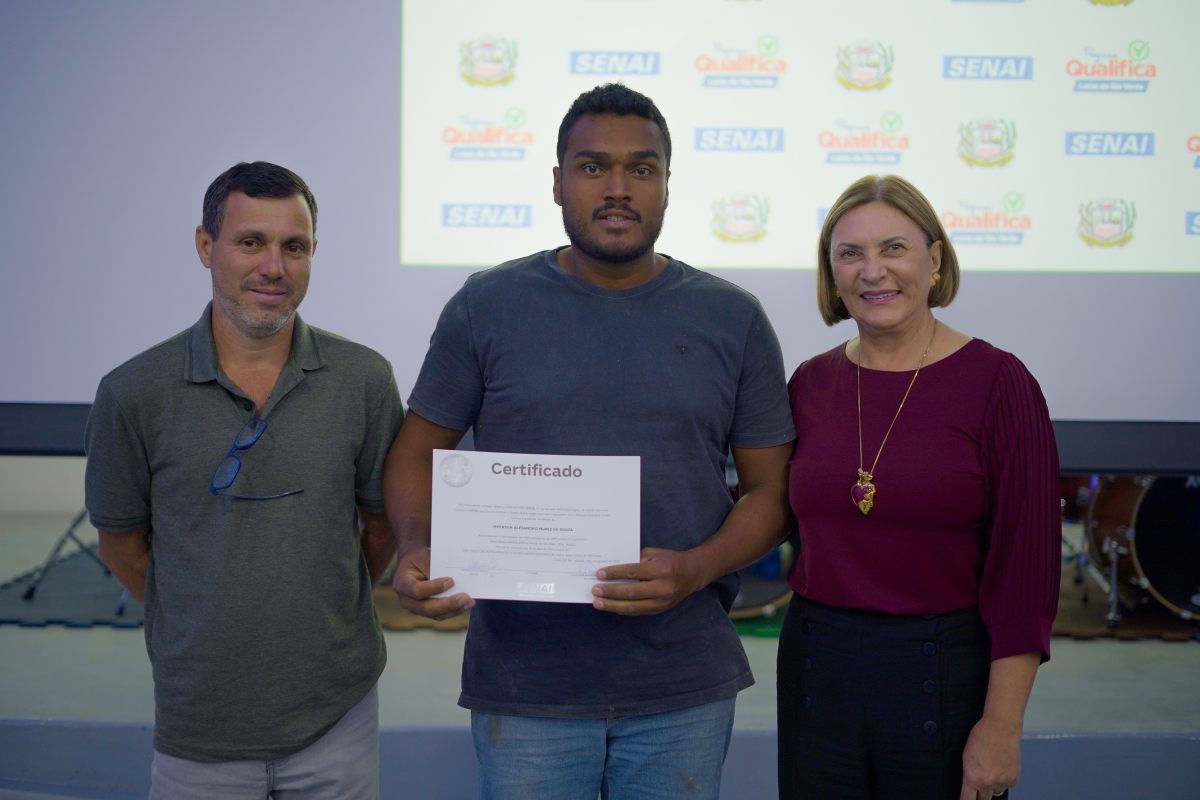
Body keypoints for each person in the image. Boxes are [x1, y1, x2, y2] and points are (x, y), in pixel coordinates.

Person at [384, 83, 796, 800]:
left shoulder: (733, 318)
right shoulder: (487, 305)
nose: (617, 188)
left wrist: (694, 569)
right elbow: (417, 449)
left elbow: (773, 490)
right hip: (525, 686)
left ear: (667, 185)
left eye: (642, 168)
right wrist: (419, 547)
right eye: (592, 166)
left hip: (682, 686)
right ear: (556, 182)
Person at [85, 161, 403, 799]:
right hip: (200, 722)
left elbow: (382, 526)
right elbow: (122, 546)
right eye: (250, 243)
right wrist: (204, 618)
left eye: (294, 247)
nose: (273, 268)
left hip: (337, 714)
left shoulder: (364, 380)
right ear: (206, 247)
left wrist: (323, 609)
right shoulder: (132, 393)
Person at [777, 174, 1060, 800]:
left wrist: (1002, 726)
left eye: (893, 248)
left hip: (945, 670)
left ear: (934, 260)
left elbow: (1026, 572)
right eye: (850, 253)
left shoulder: (1000, 383)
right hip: (816, 668)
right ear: (831, 272)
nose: (872, 270)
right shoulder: (808, 384)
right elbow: (771, 512)